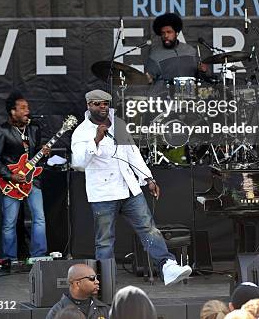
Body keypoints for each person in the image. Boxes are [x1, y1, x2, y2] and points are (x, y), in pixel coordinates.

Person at [71, 89, 192, 286]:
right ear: (88, 106)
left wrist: (148, 179)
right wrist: (95, 141)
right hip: (103, 193)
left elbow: (133, 154)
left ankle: (167, 266)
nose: (102, 107)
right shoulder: (82, 132)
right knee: (105, 240)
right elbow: (78, 163)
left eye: (105, 104)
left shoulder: (118, 124)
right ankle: (104, 283)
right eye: (97, 104)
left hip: (129, 188)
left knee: (149, 229)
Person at [0, 91, 50, 259]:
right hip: (12, 182)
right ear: (12, 112)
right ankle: (10, 258)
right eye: (22, 108)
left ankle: (39, 255)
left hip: (32, 180)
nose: (26, 111)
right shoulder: (3, 130)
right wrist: (10, 176)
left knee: (39, 218)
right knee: (9, 223)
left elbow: (36, 153)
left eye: (27, 107)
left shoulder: (34, 128)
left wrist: (44, 153)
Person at [145, 12, 207, 86]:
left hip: (190, 95)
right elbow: (148, 81)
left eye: (169, 32)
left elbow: (199, 78)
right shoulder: (154, 55)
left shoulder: (190, 51)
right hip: (164, 95)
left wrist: (203, 71)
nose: (166, 35)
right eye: (163, 33)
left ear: (176, 33)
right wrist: (147, 79)